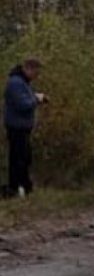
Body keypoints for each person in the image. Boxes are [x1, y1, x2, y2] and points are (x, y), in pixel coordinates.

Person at [4, 59, 47, 198]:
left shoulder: (22, 82)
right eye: (36, 72)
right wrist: (37, 99)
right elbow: (23, 104)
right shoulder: (16, 83)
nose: (37, 76)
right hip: (17, 127)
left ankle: (23, 187)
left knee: (25, 157)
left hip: (22, 127)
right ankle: (16, 188)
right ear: (29, 69)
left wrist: (34, 96)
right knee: (19, 159)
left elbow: (25, 99)